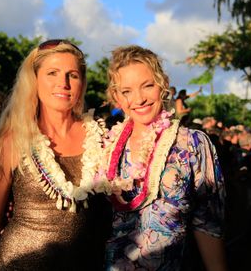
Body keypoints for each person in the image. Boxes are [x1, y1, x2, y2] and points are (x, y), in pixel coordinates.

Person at [0, 40, 110, 270]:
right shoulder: (12, 140)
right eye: (52, 73)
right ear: (34, 80)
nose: (63, 83)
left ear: (82, 82)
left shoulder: (102, 137)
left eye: (72, 75)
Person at [97, 45, 226, 270]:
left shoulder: (192, 144)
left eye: (147, 86)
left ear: (163, 84)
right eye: (126, 91)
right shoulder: (105, 146)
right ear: (116, 96)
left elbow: (209, 224)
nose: (139, 99)